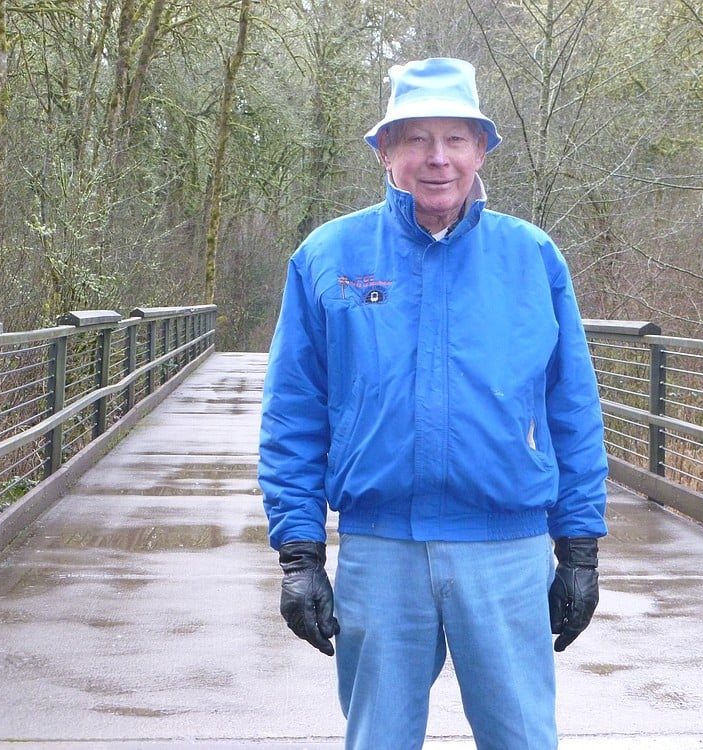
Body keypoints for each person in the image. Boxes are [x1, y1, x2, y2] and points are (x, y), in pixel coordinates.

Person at [258, 57, 608, 749]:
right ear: (385, 151)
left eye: (455, 139)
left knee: (521, 739)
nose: (437, 159)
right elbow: (293, 410)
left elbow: (573, 408)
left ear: (482, 149)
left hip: (506, 548)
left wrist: (580, 548)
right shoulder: (329, 256)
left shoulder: (532, 258)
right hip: (380, 550)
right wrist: (299, 554)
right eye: (416, 138)